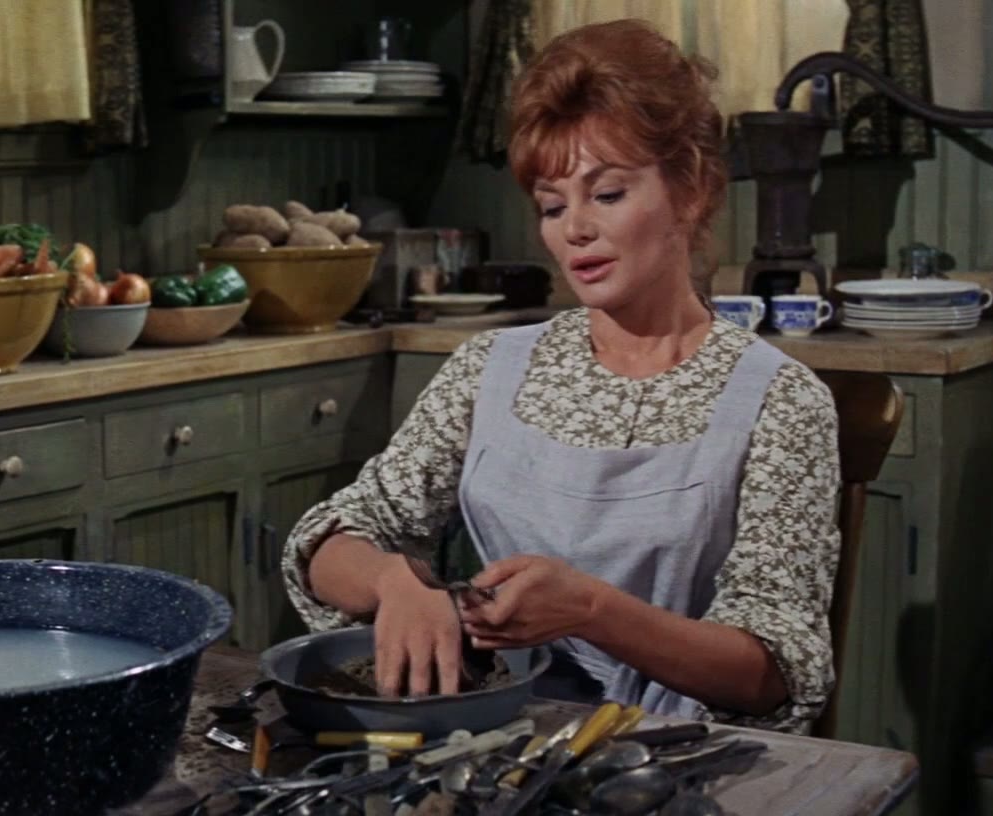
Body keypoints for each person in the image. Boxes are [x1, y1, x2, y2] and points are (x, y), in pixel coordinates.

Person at [280, 19, 841, 732]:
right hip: (502, 744)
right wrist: (395, 582)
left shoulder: (778, 402)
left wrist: (591, 610)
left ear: (692, 189)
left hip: (682, 759)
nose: (574, 229)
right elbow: (328, 543)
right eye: (552, 205)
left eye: (607, 194)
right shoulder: (491, 368)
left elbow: (771, 675)